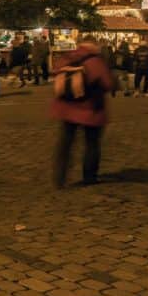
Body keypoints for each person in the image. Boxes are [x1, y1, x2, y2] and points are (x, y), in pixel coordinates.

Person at [51, 35, 114, 187]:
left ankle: (59, 177)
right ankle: (89, 176)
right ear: (94, 45)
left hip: (66, 109)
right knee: (92, 144)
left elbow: (55, 73)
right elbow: (108, 83)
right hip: (90, 109)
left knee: (65, 143)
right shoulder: (96, 61)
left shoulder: (67, 57)